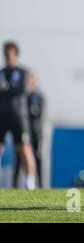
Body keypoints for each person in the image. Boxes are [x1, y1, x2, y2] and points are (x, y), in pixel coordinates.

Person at [0, 41, 37, 190]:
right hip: (2, 116)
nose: (9, 55)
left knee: (24, 148)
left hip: (18, 116)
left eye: (11, 52)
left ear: (16, 53)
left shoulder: (22, 72)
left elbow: (22, 89)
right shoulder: (1, 72)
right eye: (6, 52)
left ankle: (30, 180)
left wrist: (6, 88)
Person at [14, 72, 44, 188]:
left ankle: (40, 185)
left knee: (37, 157)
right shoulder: (22, 96)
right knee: (19, 157)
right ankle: (15, 184)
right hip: (23, 130)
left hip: (35, 132)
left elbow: (37, 113)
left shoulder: (38, 96)